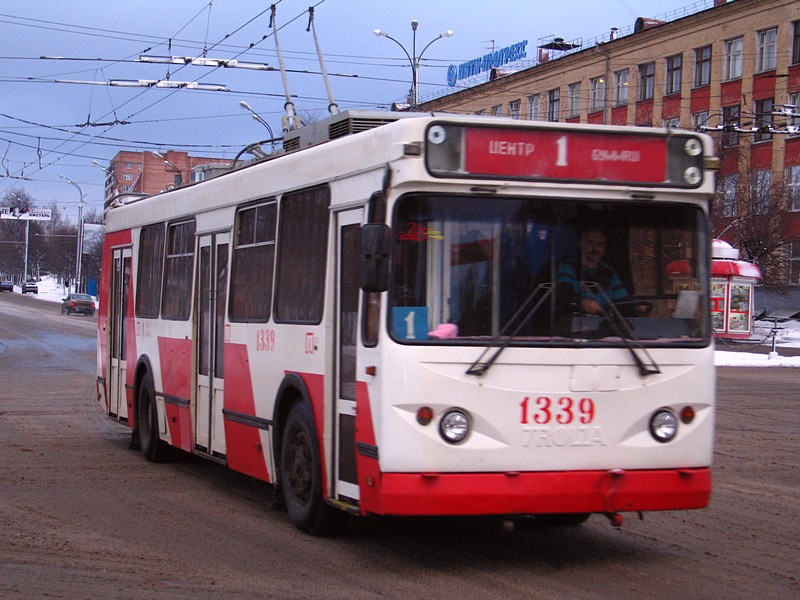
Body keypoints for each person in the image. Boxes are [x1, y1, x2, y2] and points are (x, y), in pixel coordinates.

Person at [556, 228, 644, 316]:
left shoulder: (609, 271)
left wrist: (635, 307)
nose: (595, 247)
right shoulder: (568, 266)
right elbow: (565, 295)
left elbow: (622, 299)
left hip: (605, 324)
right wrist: (583, 302)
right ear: (581, 245)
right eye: (591, 243)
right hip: (576, 322)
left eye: (600, 244)